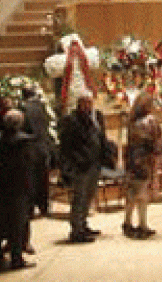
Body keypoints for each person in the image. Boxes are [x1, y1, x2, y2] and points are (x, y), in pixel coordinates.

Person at [0, 108, 36, 270]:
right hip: (17, 188)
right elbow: (27, 166)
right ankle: (16, 258)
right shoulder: (24, 141)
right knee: (17, 223)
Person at [56, 91, 107, 244]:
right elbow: (66, 145)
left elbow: (101, 137)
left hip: (95, 163)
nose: (88, 105)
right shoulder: (71, 120)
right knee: (80, 198)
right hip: (80, 166)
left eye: (90, 102)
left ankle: (84, 224)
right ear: (79, 103)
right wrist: (72, 163)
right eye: (85, 102)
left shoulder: (97, 117)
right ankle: (76, 230)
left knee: (89, 196)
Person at [123, 89, 162, 238]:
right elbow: (155, 140)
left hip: (134, 159)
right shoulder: (148, 121)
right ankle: (136, 224)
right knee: (139, 194)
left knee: (136, 194)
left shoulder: (132, 121)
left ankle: (135, 223)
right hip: (143, 160)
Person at [20, 84, 54, 218]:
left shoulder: (24, 108)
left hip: (31, 148)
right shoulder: (41, 107)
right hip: (43, 147)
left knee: (31, 180)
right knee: (43, 180)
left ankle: (30, 209)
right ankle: (44, 207)